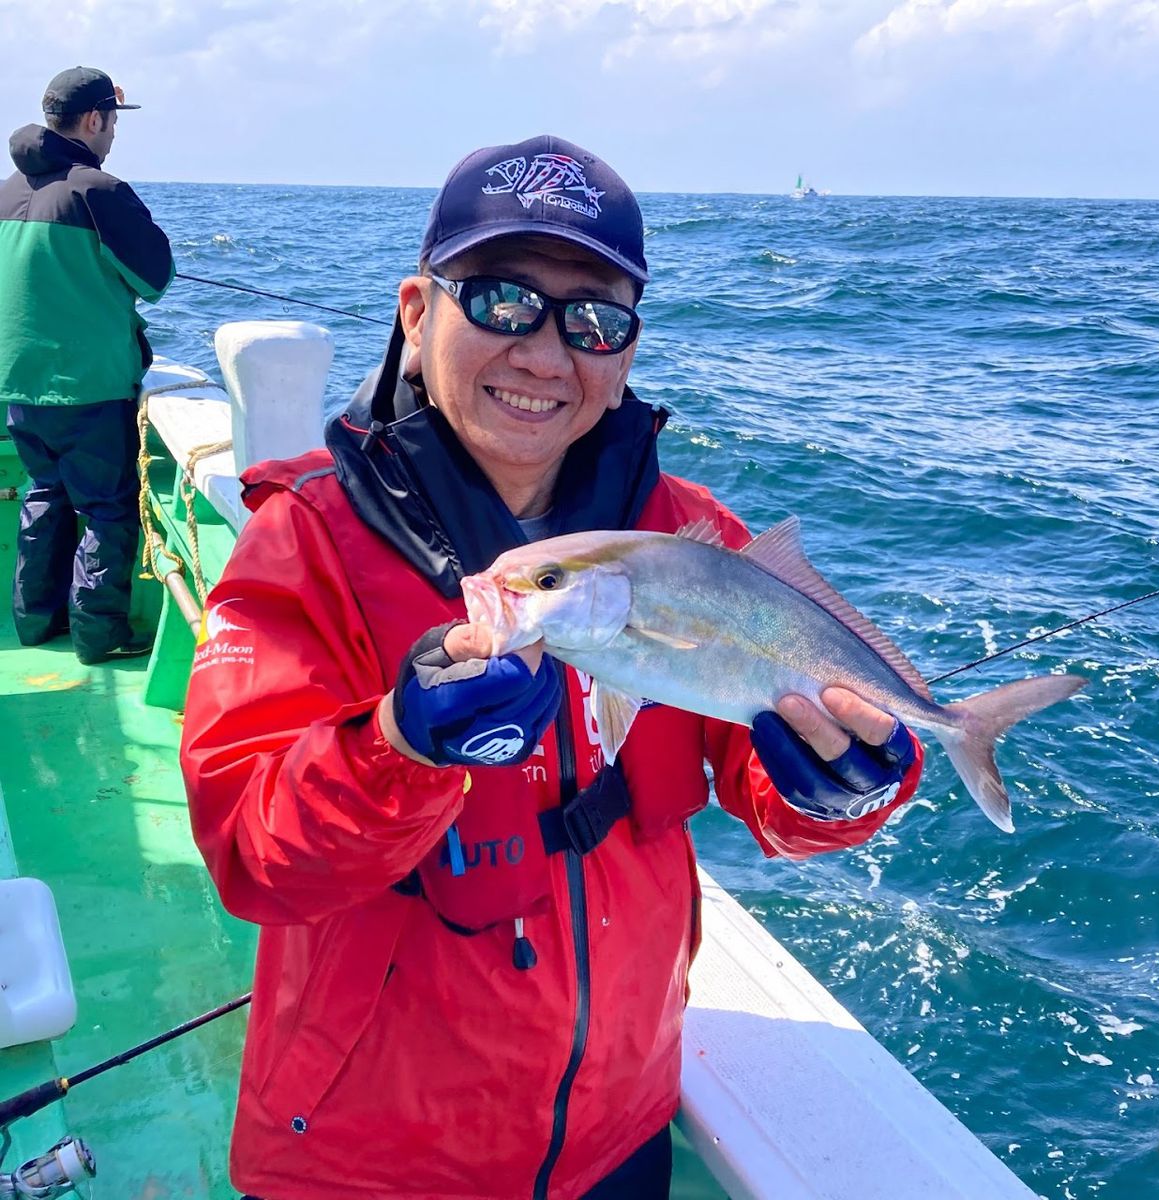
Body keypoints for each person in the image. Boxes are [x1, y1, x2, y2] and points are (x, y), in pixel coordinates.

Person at [180, 134, 925, 1200]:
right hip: (366, 1158)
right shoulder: (304, 541)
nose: (543, 352)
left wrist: (844, 788)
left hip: (619, 1124)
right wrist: (399, 747)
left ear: (624, 352)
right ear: (413, 310)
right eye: (500, 301)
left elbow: (771, 797)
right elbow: (255, 859)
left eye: (593, 320)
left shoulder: (692, 537)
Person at [0, 66, 174, 664]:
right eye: (113, 123)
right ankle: (99, 637)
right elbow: (157, 278)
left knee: (43, 494)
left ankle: (34, 622)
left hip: (19, 387)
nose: (113, 137)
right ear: (94, 119)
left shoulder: (3, 191)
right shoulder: (99, 191)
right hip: (91, 388)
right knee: (105, 508)